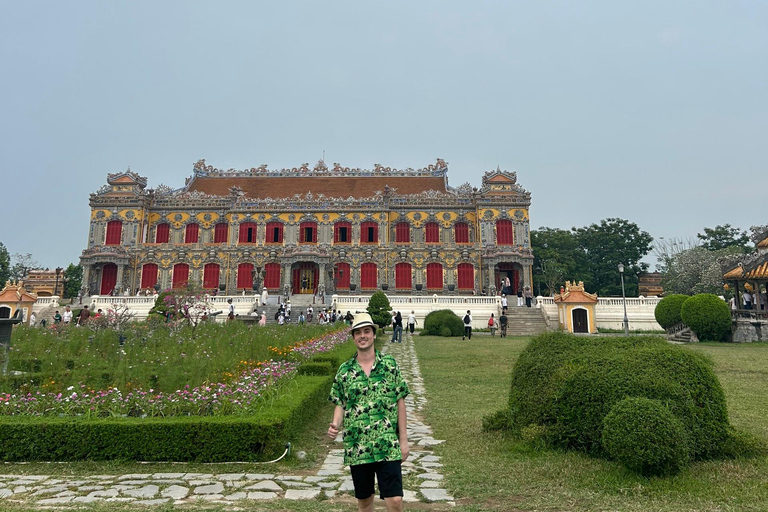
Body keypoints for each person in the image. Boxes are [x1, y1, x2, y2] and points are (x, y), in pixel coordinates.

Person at [328, 312, 409, 512]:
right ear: (353, 337)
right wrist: (336, 424)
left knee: (395, 500)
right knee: (364, 501)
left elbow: (400, 402)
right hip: (358, 444)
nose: (362, 336)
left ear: (373, 334)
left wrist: (404, 440)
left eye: (366, 331)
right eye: (358, 332)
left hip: (387, 441)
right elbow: (341, 402)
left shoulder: (389, 365)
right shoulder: (345, 370)